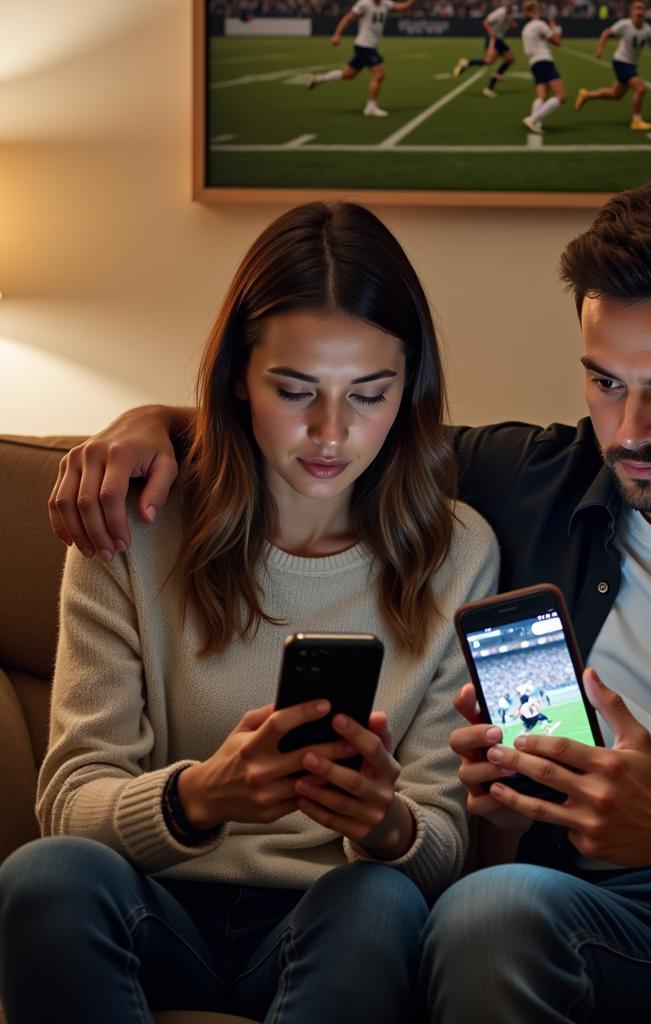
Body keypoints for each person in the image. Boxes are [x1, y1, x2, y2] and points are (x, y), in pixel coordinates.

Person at [44, 179, 651, 1021]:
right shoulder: (524, 477)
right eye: (605, 381)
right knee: (487, 910)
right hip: (595, 916)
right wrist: (150, 427)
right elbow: (333, 433)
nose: (630, 428)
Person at [0, 201, 498, 1023]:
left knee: (381, 904)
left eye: (369, 394)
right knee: (44, 876)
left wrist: (385, 825)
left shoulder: (459, 554)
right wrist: (201, 797)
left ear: (410, 387)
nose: (331, 433)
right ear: (238, 374)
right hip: (153, 909)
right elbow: (69, 803)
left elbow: (440, 846)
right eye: (294, 390)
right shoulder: (133, 525)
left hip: (332, 917)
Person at [306, 0, 418, 118]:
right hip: (365, 45)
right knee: (379, 75)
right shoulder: (364, 4)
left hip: (369, 45)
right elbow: (347, 18)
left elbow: (403, 7)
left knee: (348, 74)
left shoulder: (386, 4)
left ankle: (318, 78)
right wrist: (337, 34)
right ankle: (371, 106)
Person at [574, 1, 651, 132]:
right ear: (631, 11)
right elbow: (607, 33)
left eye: (642, 8)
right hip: (621, 62)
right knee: (641, 88)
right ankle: (636, 120)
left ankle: (586, 95)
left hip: (631, 64)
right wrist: (599, 49)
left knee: (616, 94)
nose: (639, 11)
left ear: (645, 11)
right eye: (637, 8)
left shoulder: (648, 29)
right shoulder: (624, 24)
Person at [519, 0, 565, 135]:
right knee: (561, 96)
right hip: (544, 60)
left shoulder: (526, 28)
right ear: (535, 10)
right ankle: (533, 119)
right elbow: (557, 41)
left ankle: (536, 122)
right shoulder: (539, 24)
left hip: (533, 63)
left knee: (541, 96)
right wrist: (554, 28)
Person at [452, 5, 517, 98]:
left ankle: (469, 64)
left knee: (508, 59)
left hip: (499, 39)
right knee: (492, 61)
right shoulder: (499, 12)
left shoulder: (508, 13)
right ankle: (489, 85)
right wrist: (491, 32)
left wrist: (511, 23)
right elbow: (486, 22)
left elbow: (510, 23)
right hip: (494, 39)